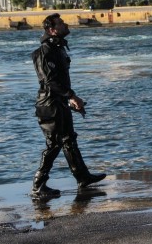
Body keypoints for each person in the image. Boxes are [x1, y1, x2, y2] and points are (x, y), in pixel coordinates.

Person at [30, 13, 106, 198]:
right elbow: (50, 83)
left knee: (69, 140)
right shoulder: (45, 52)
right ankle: (38, 185)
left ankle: (83, 177)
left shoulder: (59, 49)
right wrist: (72, 95)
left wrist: (69, 99)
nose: (65, 25)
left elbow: (60, 83)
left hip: (59, 102)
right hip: (49, 104)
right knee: (54, 144)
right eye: (61, 23)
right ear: (52, 30)